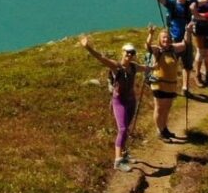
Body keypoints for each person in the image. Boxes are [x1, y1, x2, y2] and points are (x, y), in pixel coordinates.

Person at [80, 36, 142, 170]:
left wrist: (156, 64)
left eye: (132, 53)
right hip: (119, 102)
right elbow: (101, 58)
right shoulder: (116, 66)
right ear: (122, 52)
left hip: (131, 101)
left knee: (126, 129)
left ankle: (124, 154)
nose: (130, 55)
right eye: (127, 52)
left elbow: (147, 68)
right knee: (123, 129)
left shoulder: (134, 67)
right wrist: (88, 47)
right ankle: (118, 161)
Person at [145, 26, 186, 141]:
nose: (166, 40)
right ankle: (160, 131)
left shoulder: (172, 50)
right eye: (163, 38)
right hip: (159, 84)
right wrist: (150, 34)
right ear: (159, 39)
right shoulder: (158, 50)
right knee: (159, 108)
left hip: (171, 85)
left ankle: (164, 128)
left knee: (167, 108)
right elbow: (147, 46)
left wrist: (187, 31)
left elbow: (184, 45)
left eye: (167, 38)